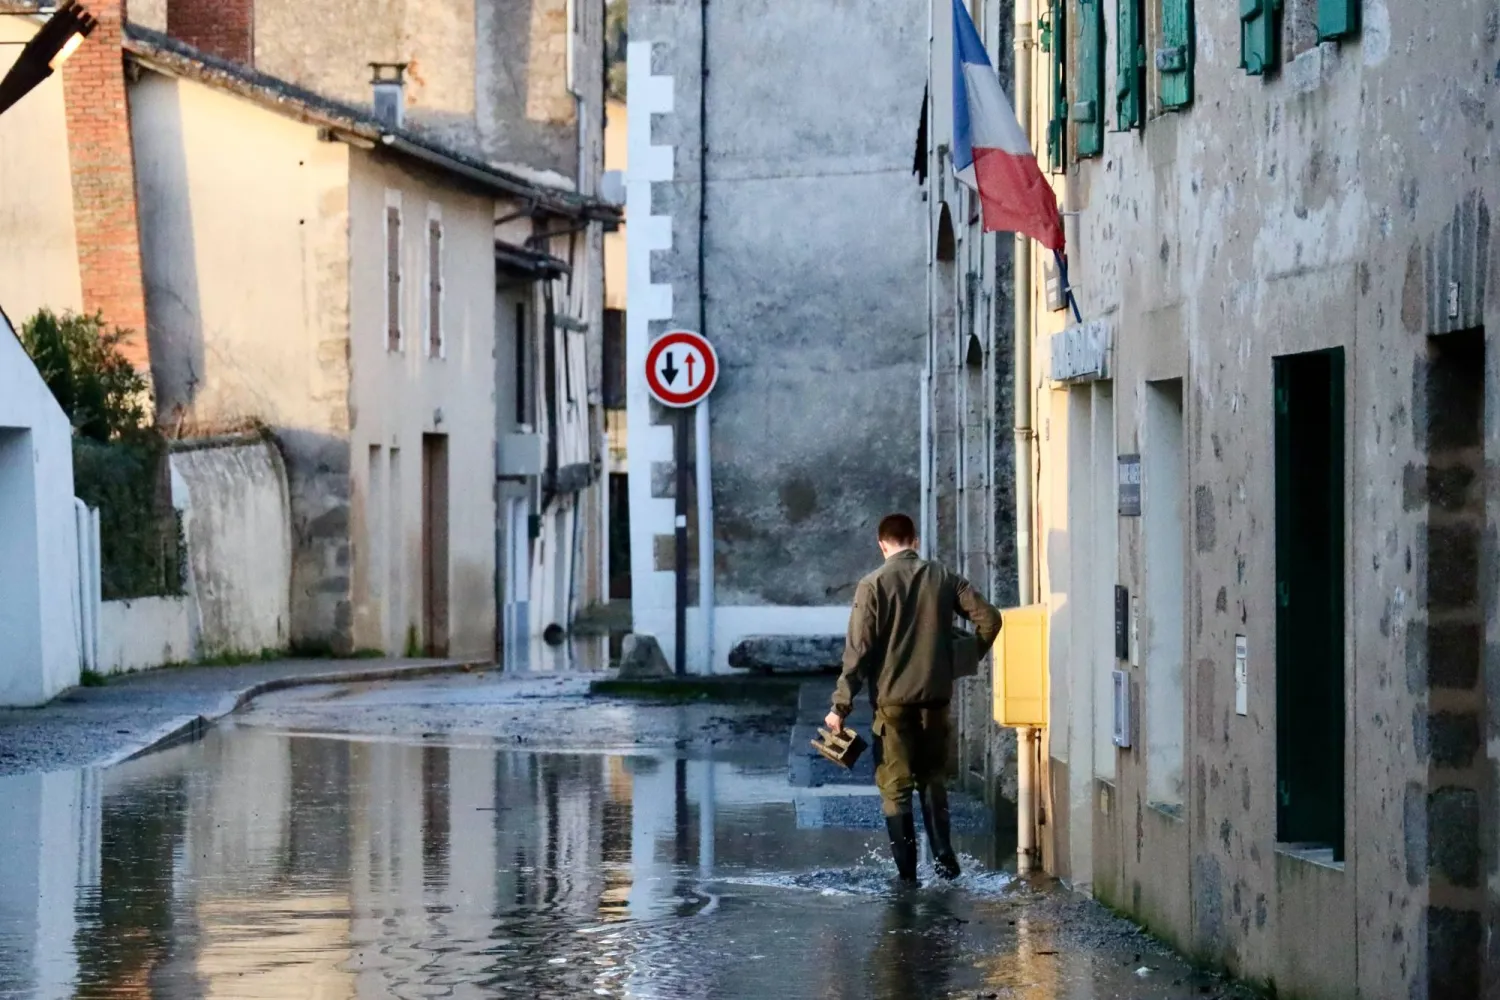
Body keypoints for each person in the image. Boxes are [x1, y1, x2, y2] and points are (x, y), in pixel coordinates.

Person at [825, 513, 1002, 883]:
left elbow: (858, 651)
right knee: (933, 778)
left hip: (891, 705)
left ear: (881, 543)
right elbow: (989, 619)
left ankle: (907, 879)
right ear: (915, 540)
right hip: (935, 700)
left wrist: (840, 707)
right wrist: (962, 657)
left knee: (896, 788)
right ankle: (945, 860)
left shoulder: (871, 585)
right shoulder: (941, 576)